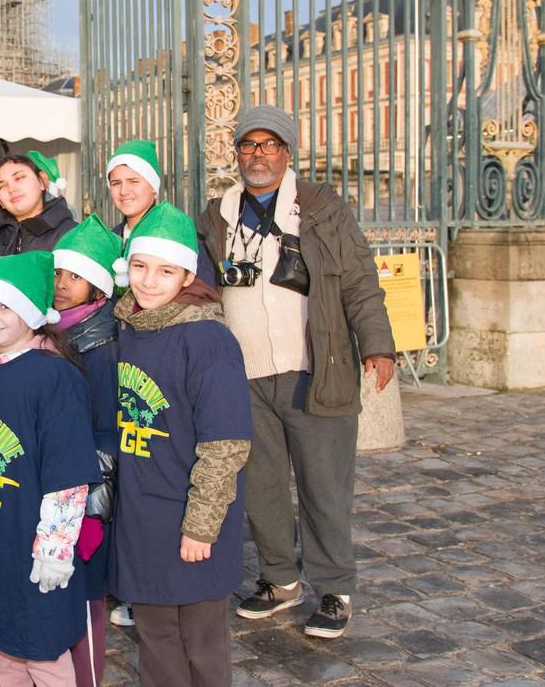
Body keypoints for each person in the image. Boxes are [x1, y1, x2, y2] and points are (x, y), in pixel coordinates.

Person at [199, 105, 395, 640]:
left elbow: (359, 279)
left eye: (269, 145)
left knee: (324, 486)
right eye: (248, 145)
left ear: (287, 153)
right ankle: (279, 580)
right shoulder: (216, 214)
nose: (257, 154)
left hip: (315, 365)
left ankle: (333, 588)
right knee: (260, 484)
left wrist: (377, 345)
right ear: (236, 153)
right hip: (243, 373)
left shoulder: (322, 208)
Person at [0, 250, 100, 687]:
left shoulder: (55, 378)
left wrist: (55, 546)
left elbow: (68, 473)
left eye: (5, 307)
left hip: (32, 539)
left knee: (42, 649)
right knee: (4, 646)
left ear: (31, 312)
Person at [110, 201, 252, 687]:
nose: (149, 281)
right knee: (154, 635)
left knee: (200, 641)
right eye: (140, 267)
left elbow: (225, 443)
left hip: (191, 517)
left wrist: (202, 526)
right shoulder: (127, 330)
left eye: (165, 271)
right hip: (143, 518)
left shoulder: (208, 341)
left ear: (187, 274)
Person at [51, 216, 122, 687]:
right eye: (57, 274)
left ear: (98, 286)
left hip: (86, 494)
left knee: (86, 599)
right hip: (55, 485)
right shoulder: (54, 331)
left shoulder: (102, 345)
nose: (60, 285)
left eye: (74, 276)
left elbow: (107, 433)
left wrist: (92, 505)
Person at [106, 139, 216, 289]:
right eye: (116, 183)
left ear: (153, 187)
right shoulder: (110, 240)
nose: (124, 191)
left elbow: (203, 295)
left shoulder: (180, 237)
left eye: (133, 181)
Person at [0, 151, 77, 272]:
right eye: (2, 186)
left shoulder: (72, 235)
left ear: (42, 181)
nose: (11, 189)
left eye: (19, 178)